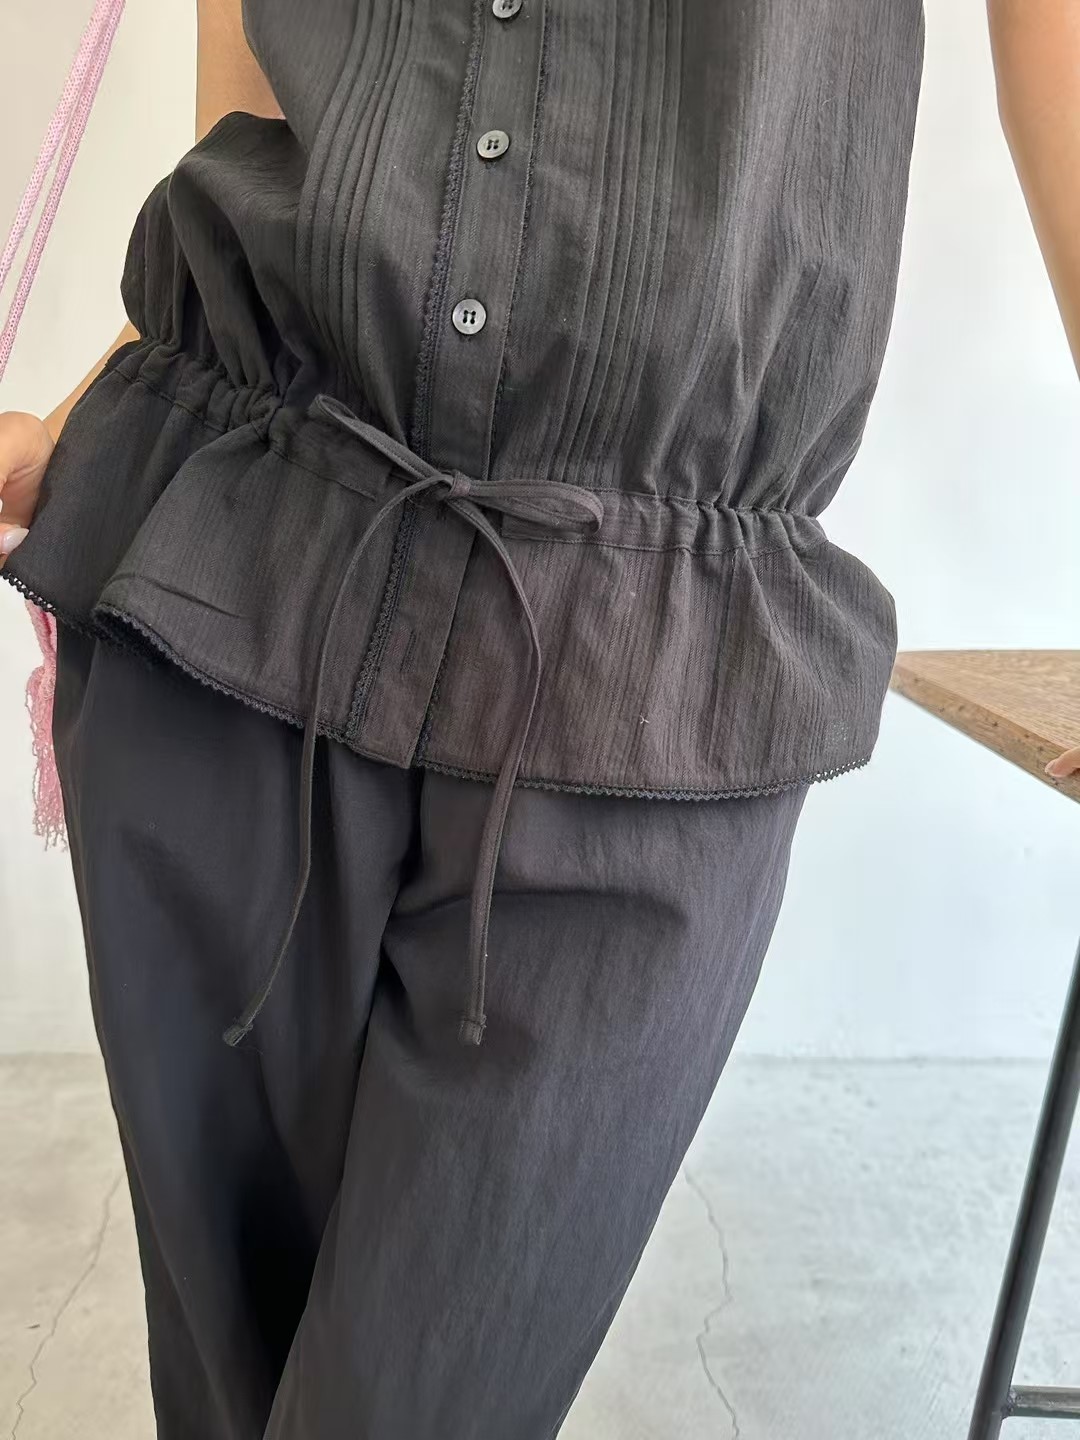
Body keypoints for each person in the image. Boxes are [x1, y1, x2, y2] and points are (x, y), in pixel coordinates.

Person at [0, 2, 1074, 1436]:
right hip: (229, 560)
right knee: (221, 1401)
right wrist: (117, 383)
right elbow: (254, 83)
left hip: (648, 675)